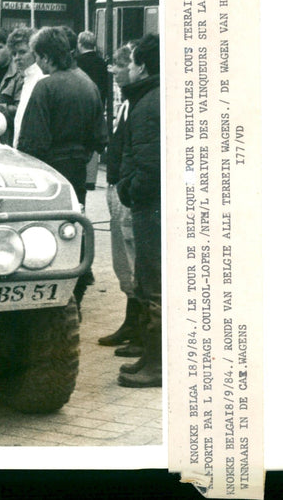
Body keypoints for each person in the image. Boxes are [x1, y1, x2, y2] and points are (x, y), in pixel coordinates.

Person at [17, 27, 107, 312]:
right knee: (74, 226)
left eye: (37, 56)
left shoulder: (45, 87)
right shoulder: (87, 83)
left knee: (44, 232)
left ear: (44, 57)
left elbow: (32, 142)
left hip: (49, 168)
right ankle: (76, 291)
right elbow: (99, 137)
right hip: (77, 167)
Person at [116, 33, 162, 388]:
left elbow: (149, 165)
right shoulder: (156, 97)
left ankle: (157, 364)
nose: (126, 69)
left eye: (129, 63)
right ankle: (151, 356)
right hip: (156, 205)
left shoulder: (148, 103)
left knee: (154, 284)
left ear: (142, 65)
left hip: (152, 208)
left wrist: (129, 189)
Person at [97, 42, 140, 351]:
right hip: (116, 187)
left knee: (134, 259)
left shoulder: (139, 102)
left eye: (120, 66)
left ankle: (141, 328)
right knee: (121, 263)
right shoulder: (126, 100)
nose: (113, 71)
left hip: (127, 191)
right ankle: (131, 321)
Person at [75, 31, 108, 191]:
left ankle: (83, 176)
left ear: (80, 44)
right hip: (98, 105)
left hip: (80, 106)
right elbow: (106, 86)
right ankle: (91, 179)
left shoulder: (77, 62)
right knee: (93, 141)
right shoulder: (102, 63)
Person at [9, 26, 43, 148]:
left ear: (34, 52)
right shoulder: (25, 78)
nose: (17, 57)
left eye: (22, 52)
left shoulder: (40, 79)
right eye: (14, 53)